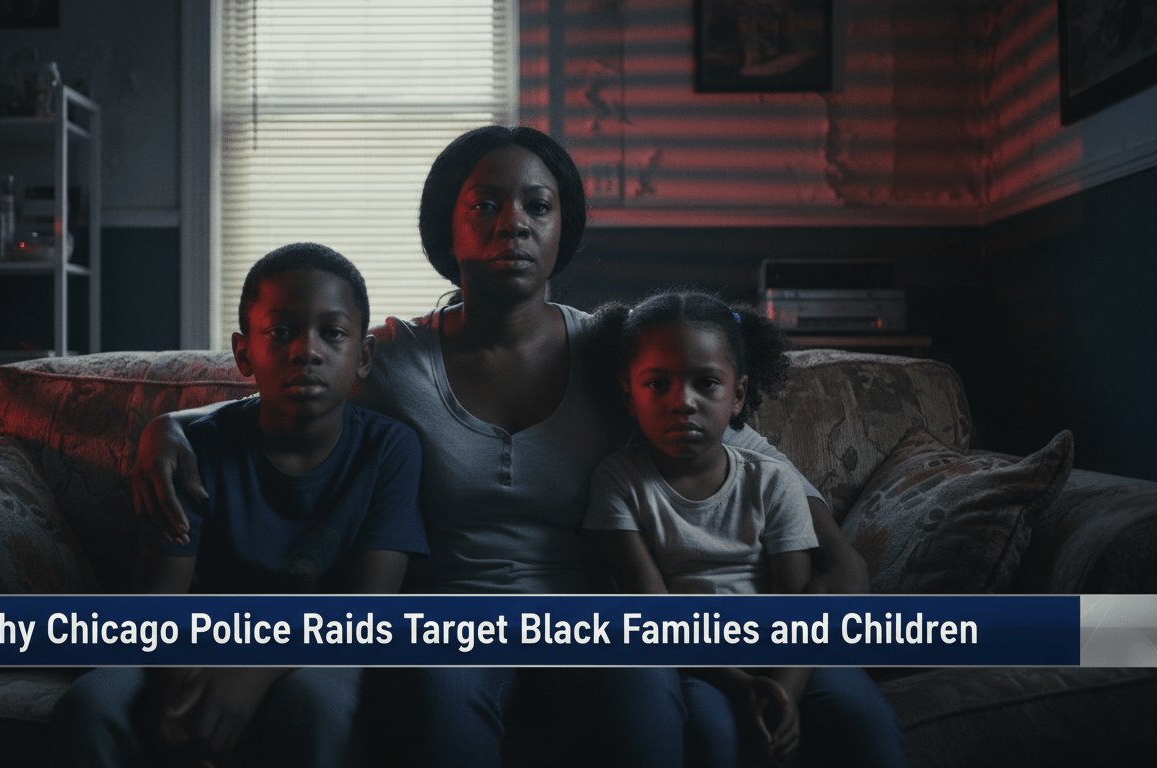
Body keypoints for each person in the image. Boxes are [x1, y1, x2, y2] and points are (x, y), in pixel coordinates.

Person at [133, 126, 869, 766]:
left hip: (591, 618)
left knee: (643, 691)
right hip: (448, 620)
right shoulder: (395, 356)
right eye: (484, 205)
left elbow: (739, 448)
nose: (512, 224)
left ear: (561, 229)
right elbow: (295, 383)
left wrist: (830, 556)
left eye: (536, 207)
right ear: (445, 229)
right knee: (433, 695)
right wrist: (175, 425)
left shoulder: (617, 350)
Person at [51, 243, 429, 768]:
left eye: (333, 333)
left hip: (319, 652)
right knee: (91, 704)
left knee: (317, 704)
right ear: (244, 352)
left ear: (362, 355)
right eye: (280, 332)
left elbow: (369, 611)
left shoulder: (390, 450)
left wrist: (258, 666)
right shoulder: (196, 448)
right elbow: (159, 600)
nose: (307, 350)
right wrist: (177, 688)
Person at [584, 289, 906, 768]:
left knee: (864, 724)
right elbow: (651, 614)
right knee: (715, 738)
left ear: (738, 396)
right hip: (703, 663)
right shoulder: (618, 480)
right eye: (658, 384)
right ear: (628, 395)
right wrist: (739, 683)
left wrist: (783, 691)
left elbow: (797, 605)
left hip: (789, 653)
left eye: (706, 383)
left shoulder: (772, 480)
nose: (683, 403)